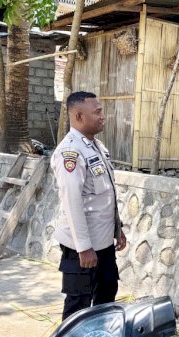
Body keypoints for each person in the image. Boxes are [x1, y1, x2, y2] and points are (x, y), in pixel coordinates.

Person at [51, 91, 127, 320]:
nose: (102, 116)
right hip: (81, 249)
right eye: (97, 112)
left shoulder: (96, 147)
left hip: (103, 245)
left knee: (106, 299)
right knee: (78, 308)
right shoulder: (70, 152)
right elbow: (72, 202)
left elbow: (105, 197)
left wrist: (117, 229)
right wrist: (84, 248)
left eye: (101, 110)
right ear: (79, 116)